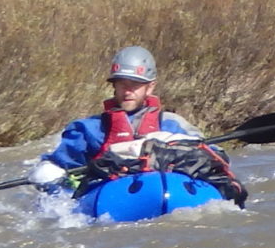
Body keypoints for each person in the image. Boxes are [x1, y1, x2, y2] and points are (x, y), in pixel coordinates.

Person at [31, 45, 201, 191]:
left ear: (150, 87)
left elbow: (208, 156)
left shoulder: (172, 125)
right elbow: (60, 164)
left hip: (162, 189)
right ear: (114, 86)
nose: (127, 92)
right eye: (122, 84)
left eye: (134, 85)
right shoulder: (89, 130)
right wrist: (50, 175)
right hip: (110, 194)